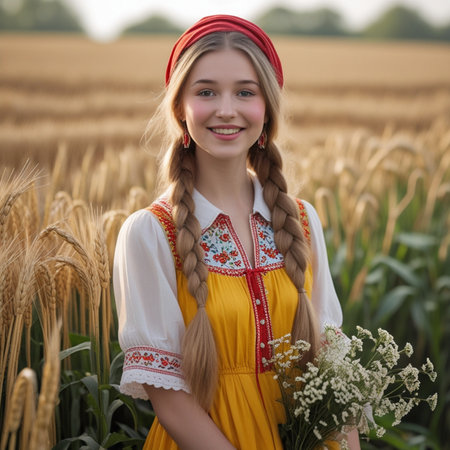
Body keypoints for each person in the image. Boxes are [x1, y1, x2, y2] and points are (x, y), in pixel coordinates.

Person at [113, 14, 360, 450]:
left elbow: (332, 369)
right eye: (206, 91)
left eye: (245, 92)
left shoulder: (303, 220)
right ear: (179, 109)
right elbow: (169, 399)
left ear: (266, 110)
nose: (226, 109)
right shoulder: (150, 233)